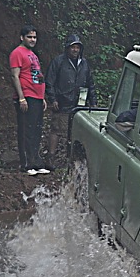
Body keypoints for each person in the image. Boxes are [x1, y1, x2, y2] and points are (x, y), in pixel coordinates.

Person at [45, 34, 96, 166]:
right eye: (73, 47)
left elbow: (90, 83)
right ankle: (50, 157)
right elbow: (49, 81)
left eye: (77, 47)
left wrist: (93, 102)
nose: (75, 50)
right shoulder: (58, 62)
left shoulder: (84, 63)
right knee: (56, 129)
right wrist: (53, 99)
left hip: (79, 103)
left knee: (75, 132)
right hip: (62, 101)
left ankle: (72, 159)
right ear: (67, 48)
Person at [9, 25, 48, 175]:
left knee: (37, 129)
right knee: (26, 129)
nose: (32, 40)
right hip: (26, 96)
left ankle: (36, 161)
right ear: (22, 37)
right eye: (29, 37)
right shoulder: (17, 53)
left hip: (37, 96)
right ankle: (26, 164)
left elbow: (37, 74)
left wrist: (42, 97)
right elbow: (15, 76)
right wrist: (21, 98)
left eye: (34, 37)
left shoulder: (32, 54)